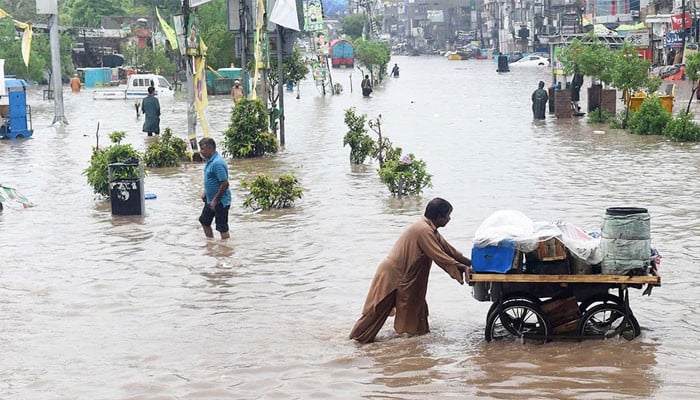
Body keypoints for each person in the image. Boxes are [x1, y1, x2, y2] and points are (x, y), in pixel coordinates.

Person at [349, 198, 472, 344]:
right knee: (376, 312)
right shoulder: (423, 230)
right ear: (439, 216)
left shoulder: (430, 229)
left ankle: (414, 344)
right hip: (395, 275)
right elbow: (440, 256)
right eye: (448, 215)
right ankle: (353, 342)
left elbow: (451, 252)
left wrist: (474, 264)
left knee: (418, 310)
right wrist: (462, 268)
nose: (449, 219)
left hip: (408, 277)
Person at [198, 137, 231, 240]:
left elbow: (225, 183)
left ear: (210, 148)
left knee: (222, 228)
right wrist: (205, 193)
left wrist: (215, 200)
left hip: (220, 201)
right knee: (204, 221)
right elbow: (211, 180)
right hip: (210, 200)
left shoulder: (217, 163)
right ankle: (210, 243)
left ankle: (226, 249)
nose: (201, 152)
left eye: (202, 149)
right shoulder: (209, 161)